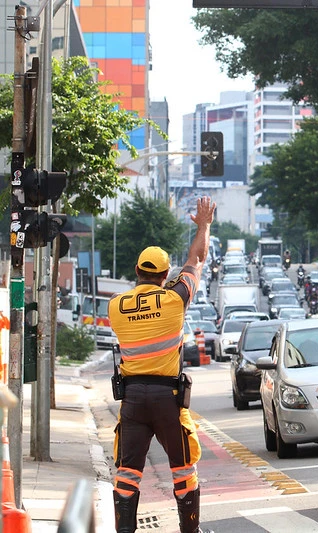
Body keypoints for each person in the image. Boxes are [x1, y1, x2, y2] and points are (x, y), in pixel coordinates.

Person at [108, 196, 216, 533]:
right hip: (167, 399)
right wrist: (204, 226)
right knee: (183, 470)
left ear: (136, 271)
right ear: (166, 274)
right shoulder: (175, 300)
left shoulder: (115, 306)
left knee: (127, 473)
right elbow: (197, 259)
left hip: (132, 401)